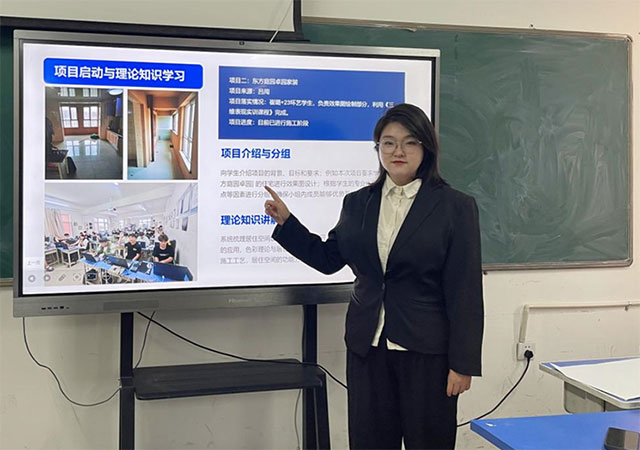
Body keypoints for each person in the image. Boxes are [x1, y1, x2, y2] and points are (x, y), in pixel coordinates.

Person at [264, 103, 484, 450]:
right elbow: (328, 260)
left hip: (427, 353)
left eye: (410, 142)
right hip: (368, 348)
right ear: (378, 148)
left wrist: (463, 363)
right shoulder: (357, 203)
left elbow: (465, 291)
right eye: (388, 142)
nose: (398, 151)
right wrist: (288, 224)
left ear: (426, 148)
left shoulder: (455, 207)